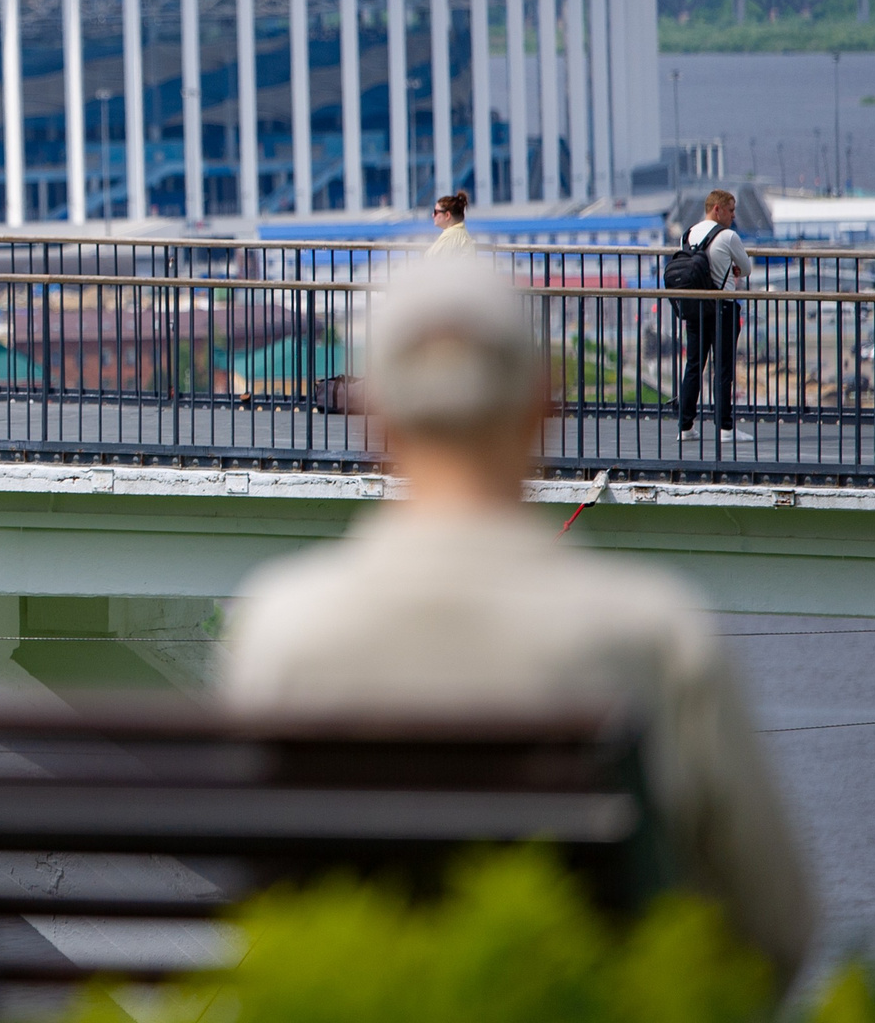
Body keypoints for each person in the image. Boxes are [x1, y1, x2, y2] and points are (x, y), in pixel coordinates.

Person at [218, 255, 814, 986]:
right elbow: (776, 928)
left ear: (375, 419)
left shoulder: (282, 631)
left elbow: (265, 914)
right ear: (542, 407)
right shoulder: (652, 634)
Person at [675, 189, 752, 444]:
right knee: (723, 369)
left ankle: (685, 428)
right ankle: (726, 429)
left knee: (694, 366)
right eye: (730, 210)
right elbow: (747, 268)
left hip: (695, 308)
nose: (733, 216)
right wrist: (733, 268)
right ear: (717, 209)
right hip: (723, 308)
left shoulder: (687, 234)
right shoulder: (728, 236)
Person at [426, 190, 476, 255]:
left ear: (447, 215)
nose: (433, 215)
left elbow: (432, 258)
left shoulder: (451, 236)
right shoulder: (459, 233)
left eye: (436, 212)